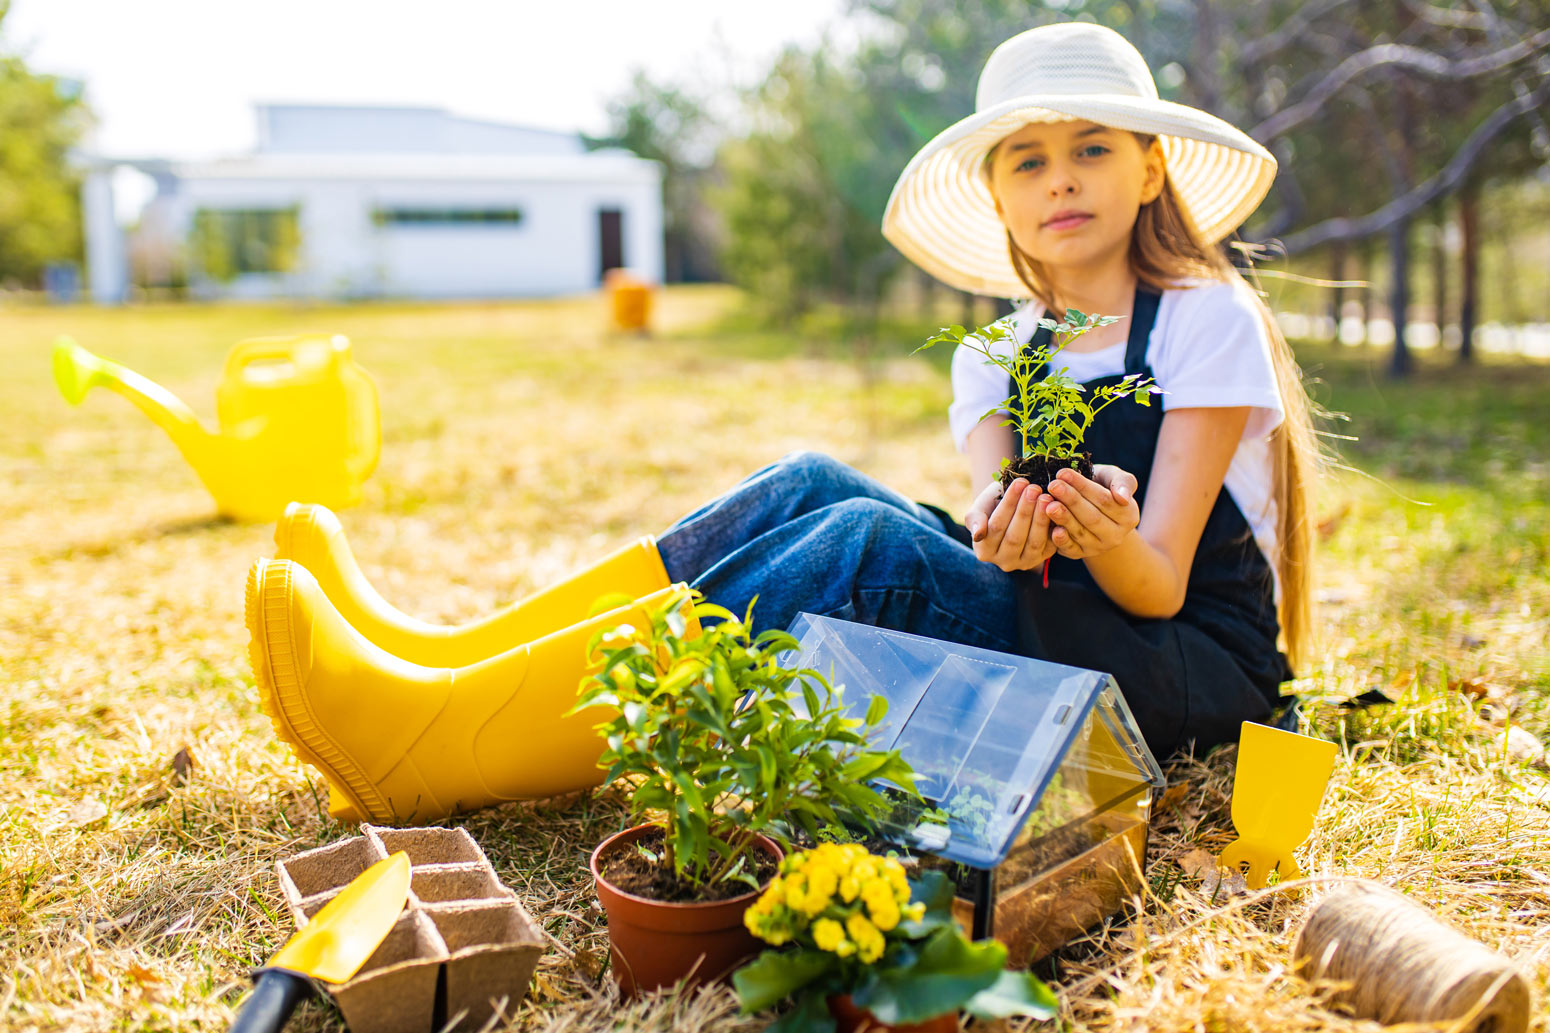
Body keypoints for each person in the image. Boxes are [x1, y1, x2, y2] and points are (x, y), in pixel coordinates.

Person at [245, 21, 1319, 826]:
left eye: (1090, 148)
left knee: (868, 550)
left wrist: (1107, 536)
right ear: (995, 195)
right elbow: (998, 537)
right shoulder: (997, 353)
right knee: (810, 481)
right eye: (1025, 159)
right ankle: (446, 664)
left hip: (1177, 663)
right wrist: (1010, 532)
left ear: (1148, 166)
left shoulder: (1202, 318)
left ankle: (443, 744)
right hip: (1058, 612)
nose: (1059, 179)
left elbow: (1160, 582)